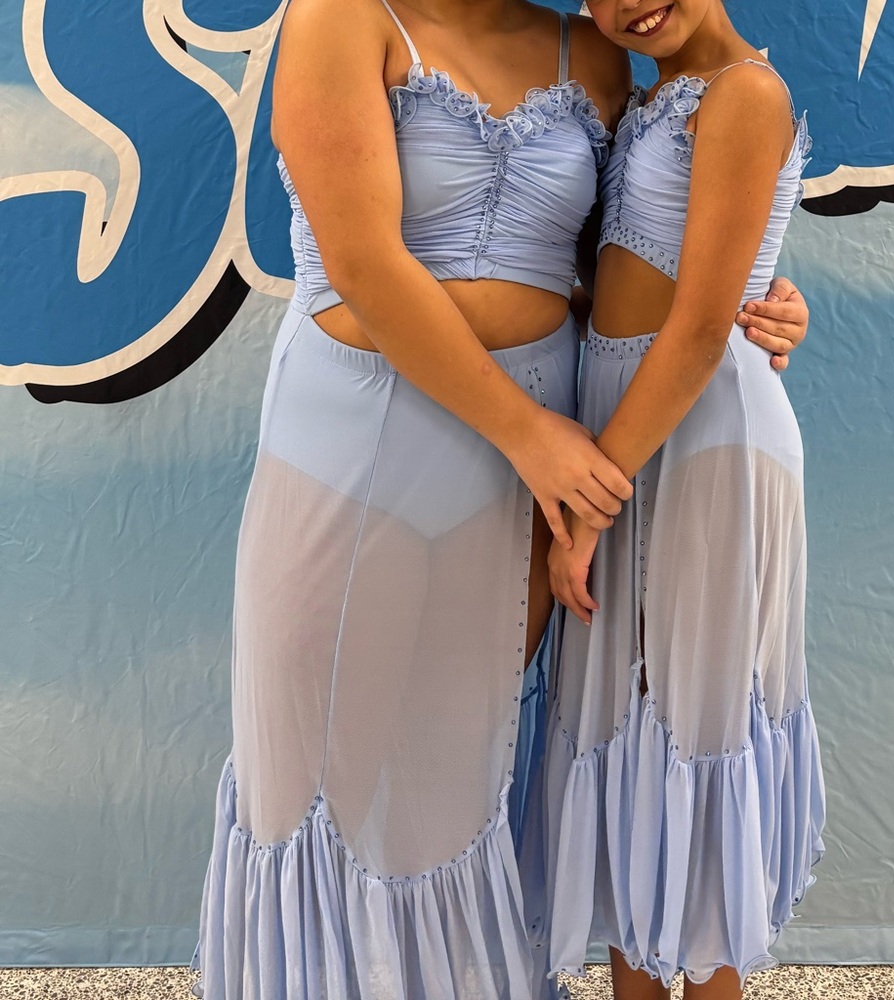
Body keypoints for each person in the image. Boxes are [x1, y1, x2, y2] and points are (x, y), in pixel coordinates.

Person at [190, 1, 811, 997]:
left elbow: (628, 263)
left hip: (529, 462)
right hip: (370, 435)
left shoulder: (594, 55)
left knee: (457, 765)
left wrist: (760, 302)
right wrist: (537, 441)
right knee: (308, 771)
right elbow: (362, 261)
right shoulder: (340, 17)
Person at [545, 2, 826, 998]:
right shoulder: (638, 94)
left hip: (698, 429)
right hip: (631, 422)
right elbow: (634, 275)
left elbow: (705, 325)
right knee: (637, 755)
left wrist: (585, 502)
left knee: (688, 739)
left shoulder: (746, 92)